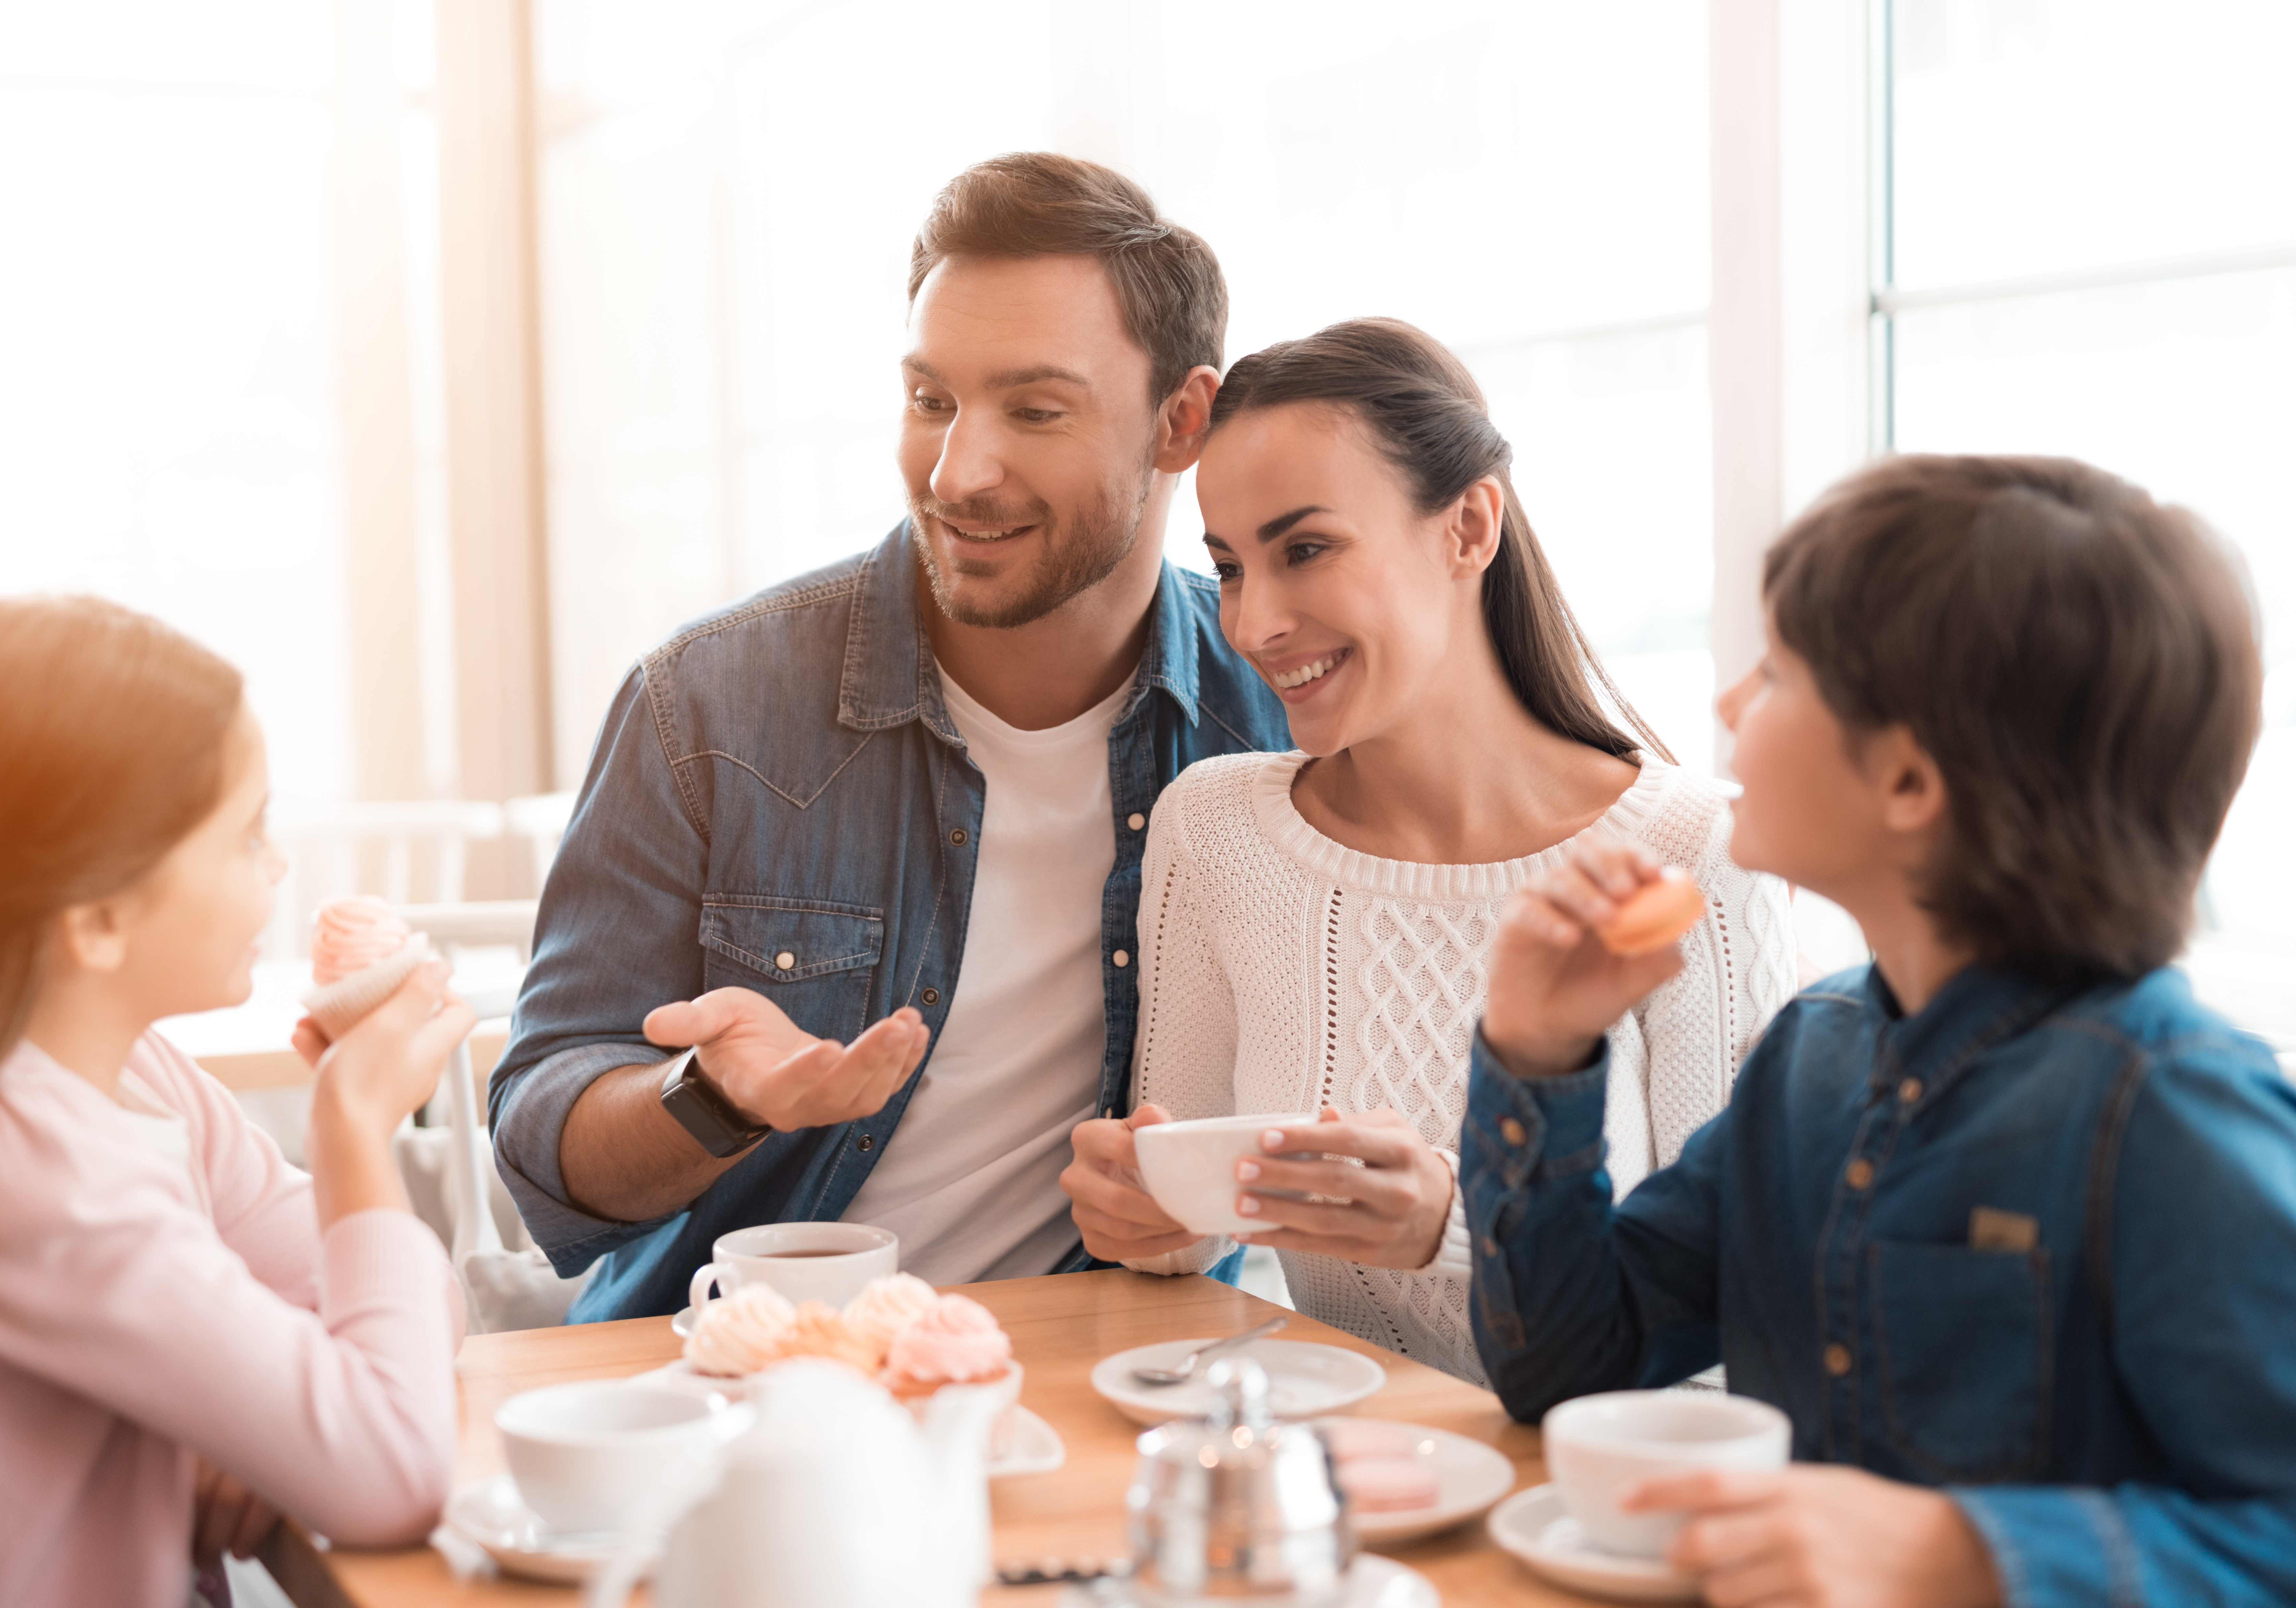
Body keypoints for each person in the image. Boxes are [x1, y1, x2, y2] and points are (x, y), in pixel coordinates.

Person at [1464, 455, 2294, 1604]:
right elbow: (1561, 1367)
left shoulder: (2171, 1109)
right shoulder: (1812, 1055)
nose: (1728, 704)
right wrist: (1537, 1052)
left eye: (1779, 672)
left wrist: (1962, 1554)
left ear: (1909, 780)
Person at [488, 153, 1290, 1321]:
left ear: (1181, 423)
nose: (959, 471)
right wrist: (712, 1098)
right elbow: (539, 1142)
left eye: (1036, 409)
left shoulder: (1271, 718)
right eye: (932, 401)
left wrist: (1213, 1199)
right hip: (741, 1380)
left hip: (1099, 1383)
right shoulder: (705, 703)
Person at [1057, 318, 1797, 1383]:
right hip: (1336, 1481)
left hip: (1592, 1502)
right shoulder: (1213, 831)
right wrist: (1146, 1211)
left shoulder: (1693, 854)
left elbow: (1739, 1298)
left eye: (1304, 549)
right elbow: (1193, 1234)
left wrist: (1455, 1221)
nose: (1255, 621)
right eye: (1228, 566)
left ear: (1468, 528)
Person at [0, 597, 472, 1608]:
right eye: (248, 836)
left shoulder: (132, 1073)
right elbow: (391, 1470)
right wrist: (352, 1131)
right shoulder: (22, 1167)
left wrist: (253, 1408)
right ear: (100, 919)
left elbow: (422, 1327)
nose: (279, 863)